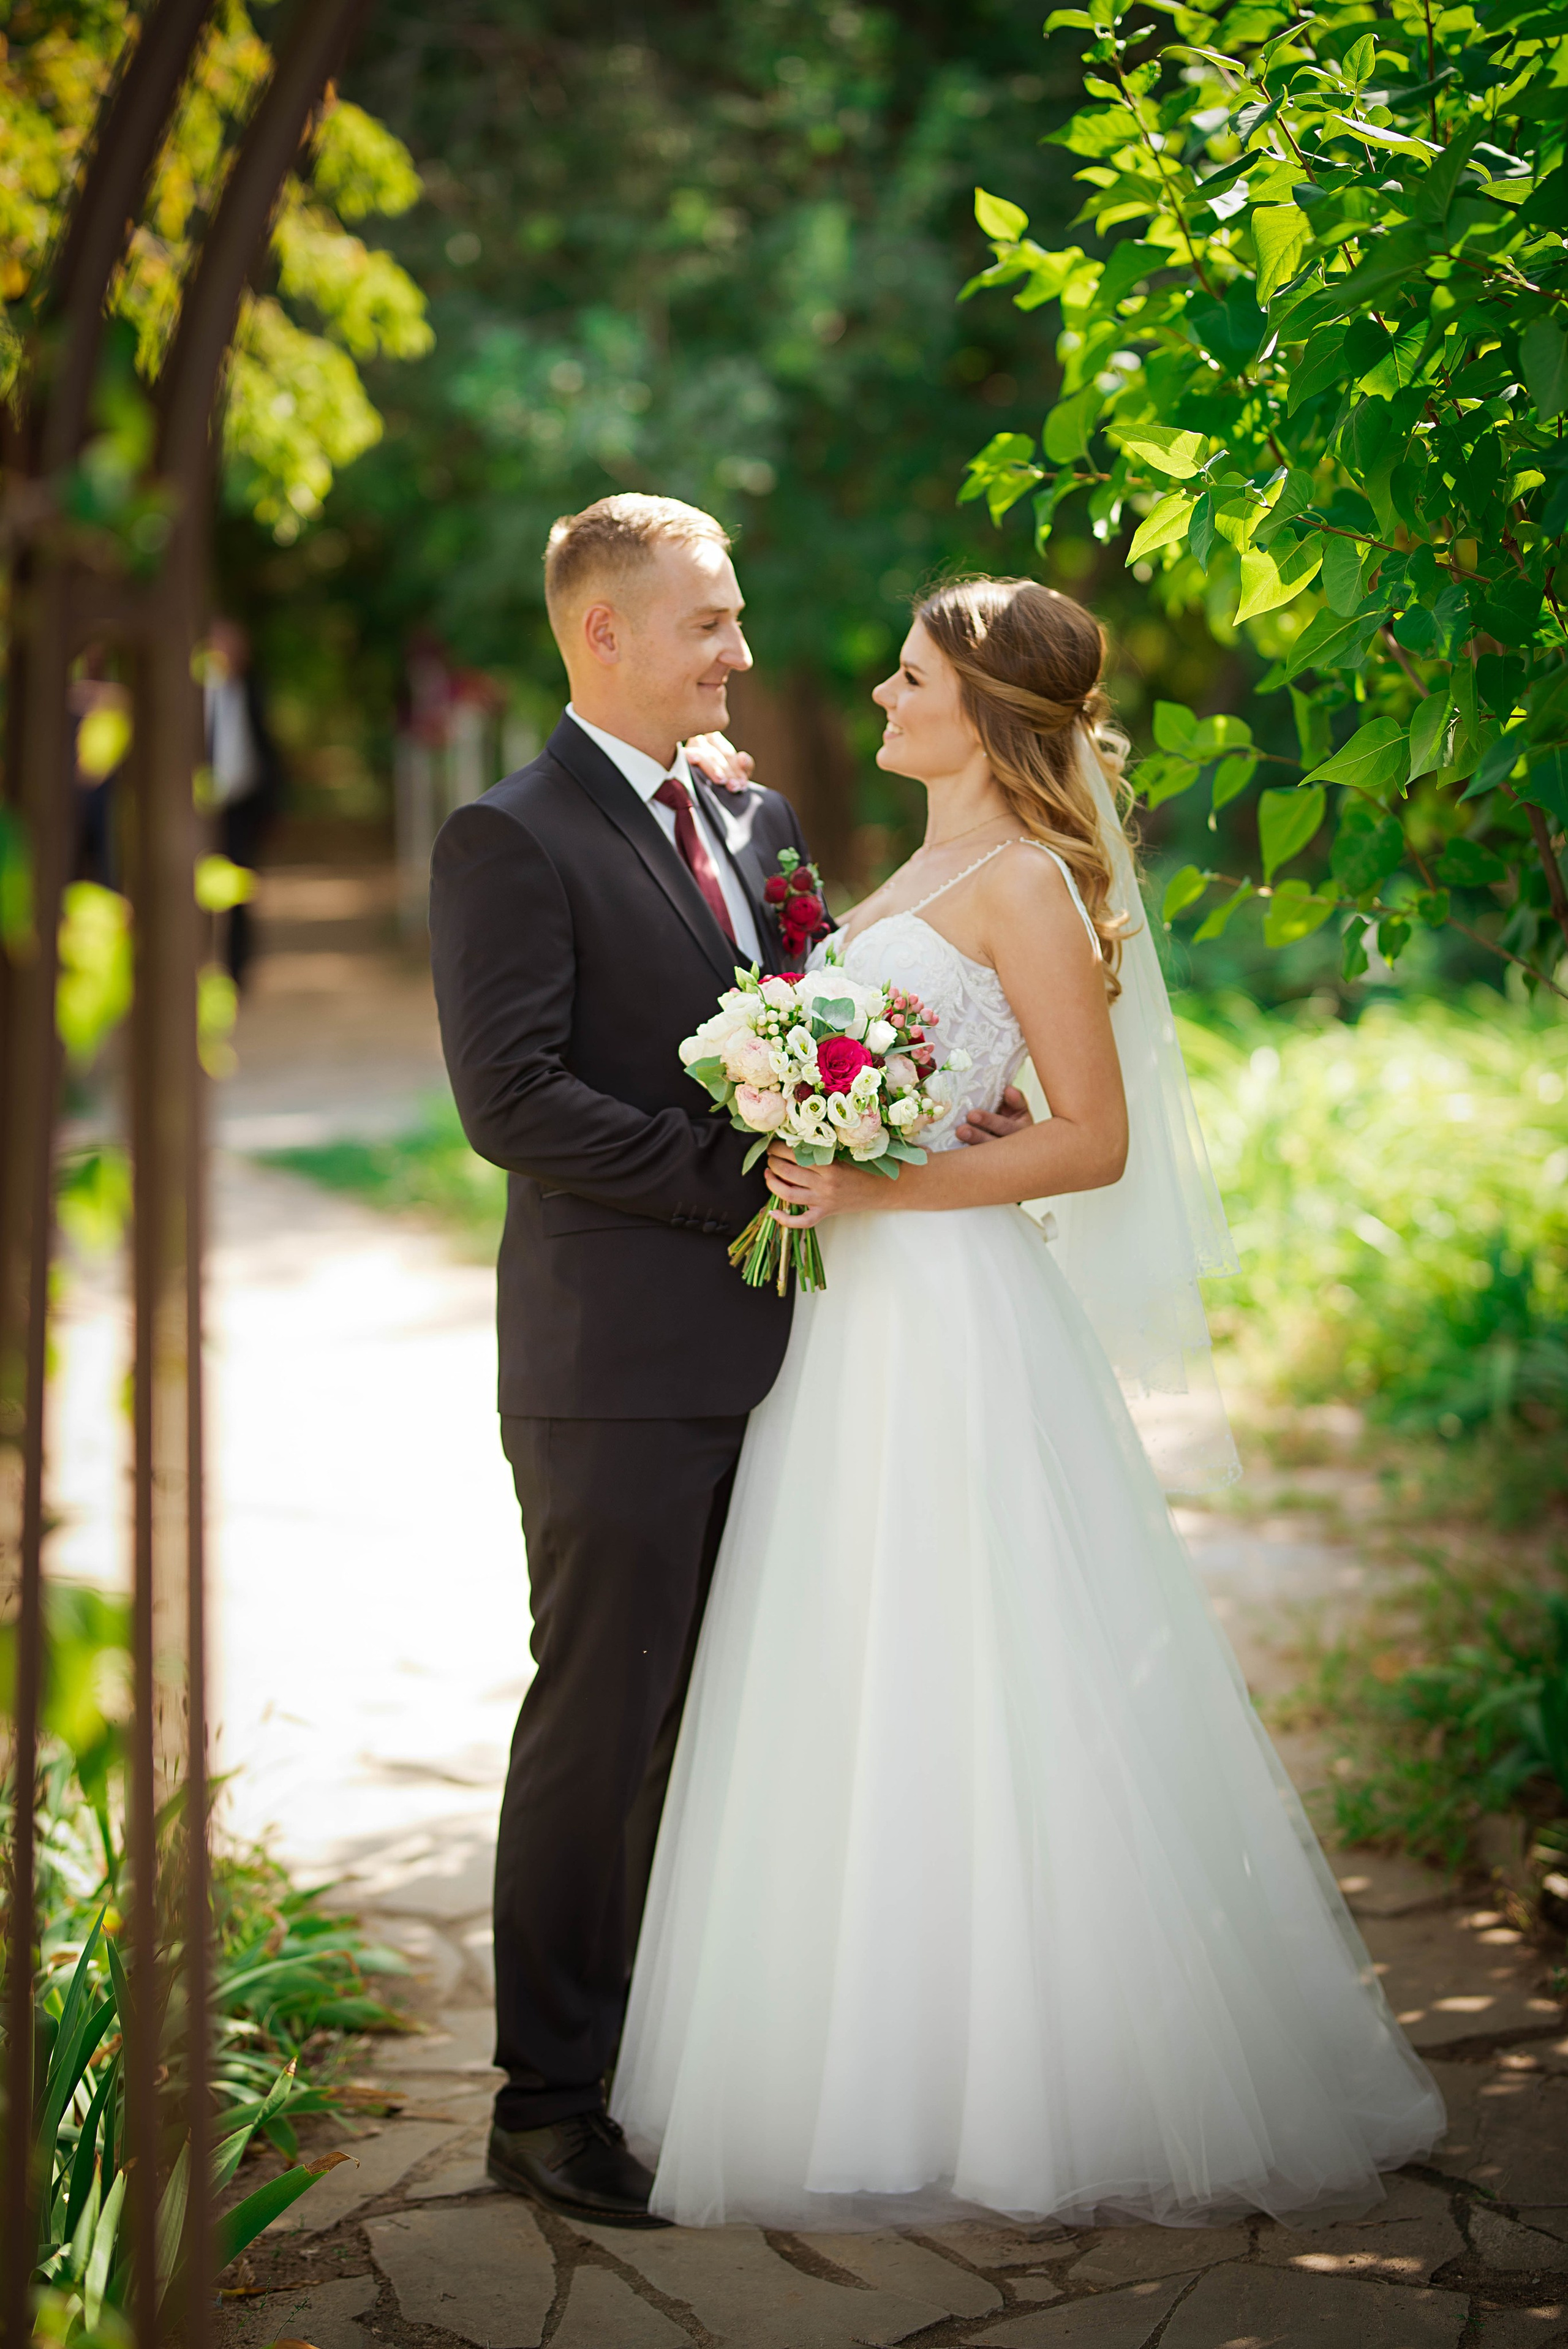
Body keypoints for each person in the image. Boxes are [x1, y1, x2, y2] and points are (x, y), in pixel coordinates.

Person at [611, 576, 1446, 2231]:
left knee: (980, 1656)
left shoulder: (1028, 885)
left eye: (909, 676)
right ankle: (869, 2053)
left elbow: (1093, 1138)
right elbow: (956, 1098)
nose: (881, 701)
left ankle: (1020, 2078)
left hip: (957, 1323)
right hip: (855, 1333)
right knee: (856, 1657)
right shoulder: (916, 867)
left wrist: (871, 1176)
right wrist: (837, 1142)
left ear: (985, 705)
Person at [428, 496, 1031, 2228]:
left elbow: (815, 1018)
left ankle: (676, 2065)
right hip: (612, 1361)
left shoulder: (756, 809)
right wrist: (738, 1178)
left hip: (803, 1346)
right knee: (601, 1723)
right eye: (710, 622)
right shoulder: (508, 835)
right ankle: (547, 2103)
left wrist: (910, 1106)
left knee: (726, 1731)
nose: (742, 651)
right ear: (602, 632)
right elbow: (513, 1099)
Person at [203, 617, 284, 987]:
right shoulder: (195, 691)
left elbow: (266, 745)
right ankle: (200, 967)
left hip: (241, 805)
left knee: (240, 889)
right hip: (200, 807)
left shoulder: (253, 689)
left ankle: (237, 972)